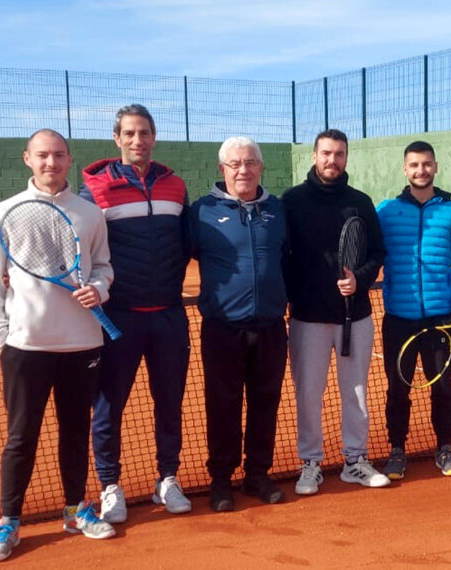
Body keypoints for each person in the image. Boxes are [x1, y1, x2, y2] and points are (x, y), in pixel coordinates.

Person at [0, 129, 115, 562]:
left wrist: (99, 288)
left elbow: (105, 266)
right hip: (25, 348)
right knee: (22, 436)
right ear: (27, 159)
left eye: (58, 155)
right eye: (42, 156)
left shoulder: (90, 214)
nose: (50, 163)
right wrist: (2, 339)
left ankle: (76, 510)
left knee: (75, 433)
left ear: (69, 160)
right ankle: (8, 521)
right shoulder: (4, 212)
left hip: (82, 345)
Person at [81, 104, 191, 522]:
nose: (137, 141)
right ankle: (110, 485)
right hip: (117, 319)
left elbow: (187, 242)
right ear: (116, 139)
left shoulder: (176, 187)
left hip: (167, 316)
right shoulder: (94, 188)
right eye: (129, 133)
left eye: (144, 133)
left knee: (170, 402)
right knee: (108, 405)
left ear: (154, 137)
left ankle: (168, 479)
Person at [282, 128, 390, 494]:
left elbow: (377, 253)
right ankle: (310, 462)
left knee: (357, 393)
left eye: (339, 154)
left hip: (354, 317)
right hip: (307, 319)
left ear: (346, 158)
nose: (332, 160)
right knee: (309, 394)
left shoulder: (360, 201)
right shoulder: (292, 201)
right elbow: (282, 256)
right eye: (326, 153)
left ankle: (355, 460)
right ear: (314, 156)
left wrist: (359, 279)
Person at [189, 136, 288, 512]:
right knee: (223, 405)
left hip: (270, 327)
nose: (243, 170)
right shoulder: (201, 213)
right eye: (235, 164)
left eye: (250, 163)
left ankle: (258, 474)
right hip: (223, 329)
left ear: (260, 167)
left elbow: (287, 257)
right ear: (222, 170)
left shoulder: (278, 210)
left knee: (266, 402)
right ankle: (220, 480)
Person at [376, 141, 451, 479]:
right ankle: (396, 451)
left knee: (443, 387)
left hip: (441, 320)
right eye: (414, 165)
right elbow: (369, 252)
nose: (421, 170)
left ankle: (445, 447)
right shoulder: (387, 211)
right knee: (397, 389)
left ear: (435, 167)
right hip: (398, 320)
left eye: (426, 164)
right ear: (405, 170)